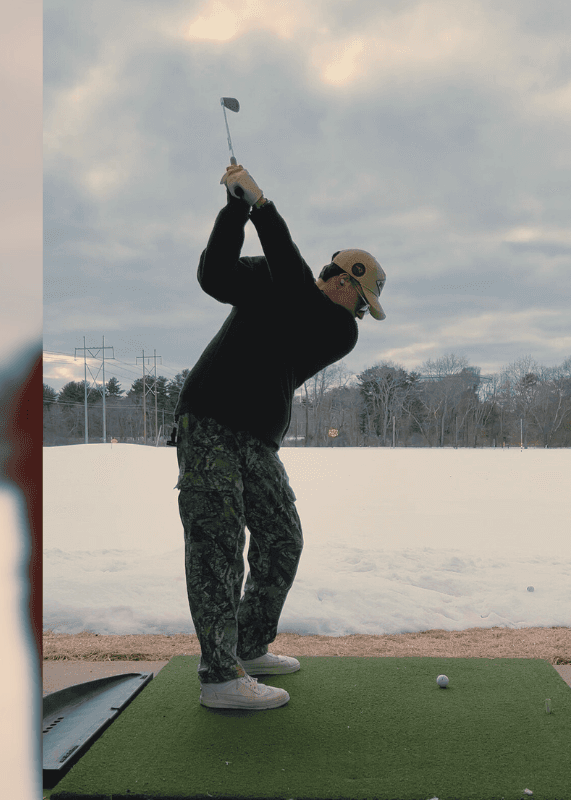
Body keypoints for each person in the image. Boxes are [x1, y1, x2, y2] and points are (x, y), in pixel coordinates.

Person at [171, 164, 386, 710]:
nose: (363, 313)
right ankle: (220, 677)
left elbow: (296, 293)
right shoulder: (273, 276)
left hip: (256, 440)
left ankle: (248, 644)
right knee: (218, 544)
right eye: (363, 300)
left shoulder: (339, 330)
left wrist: (264, 209)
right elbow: (214, 275)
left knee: (282, 537)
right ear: (344, 281)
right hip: (210, 420)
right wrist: (236, 211)